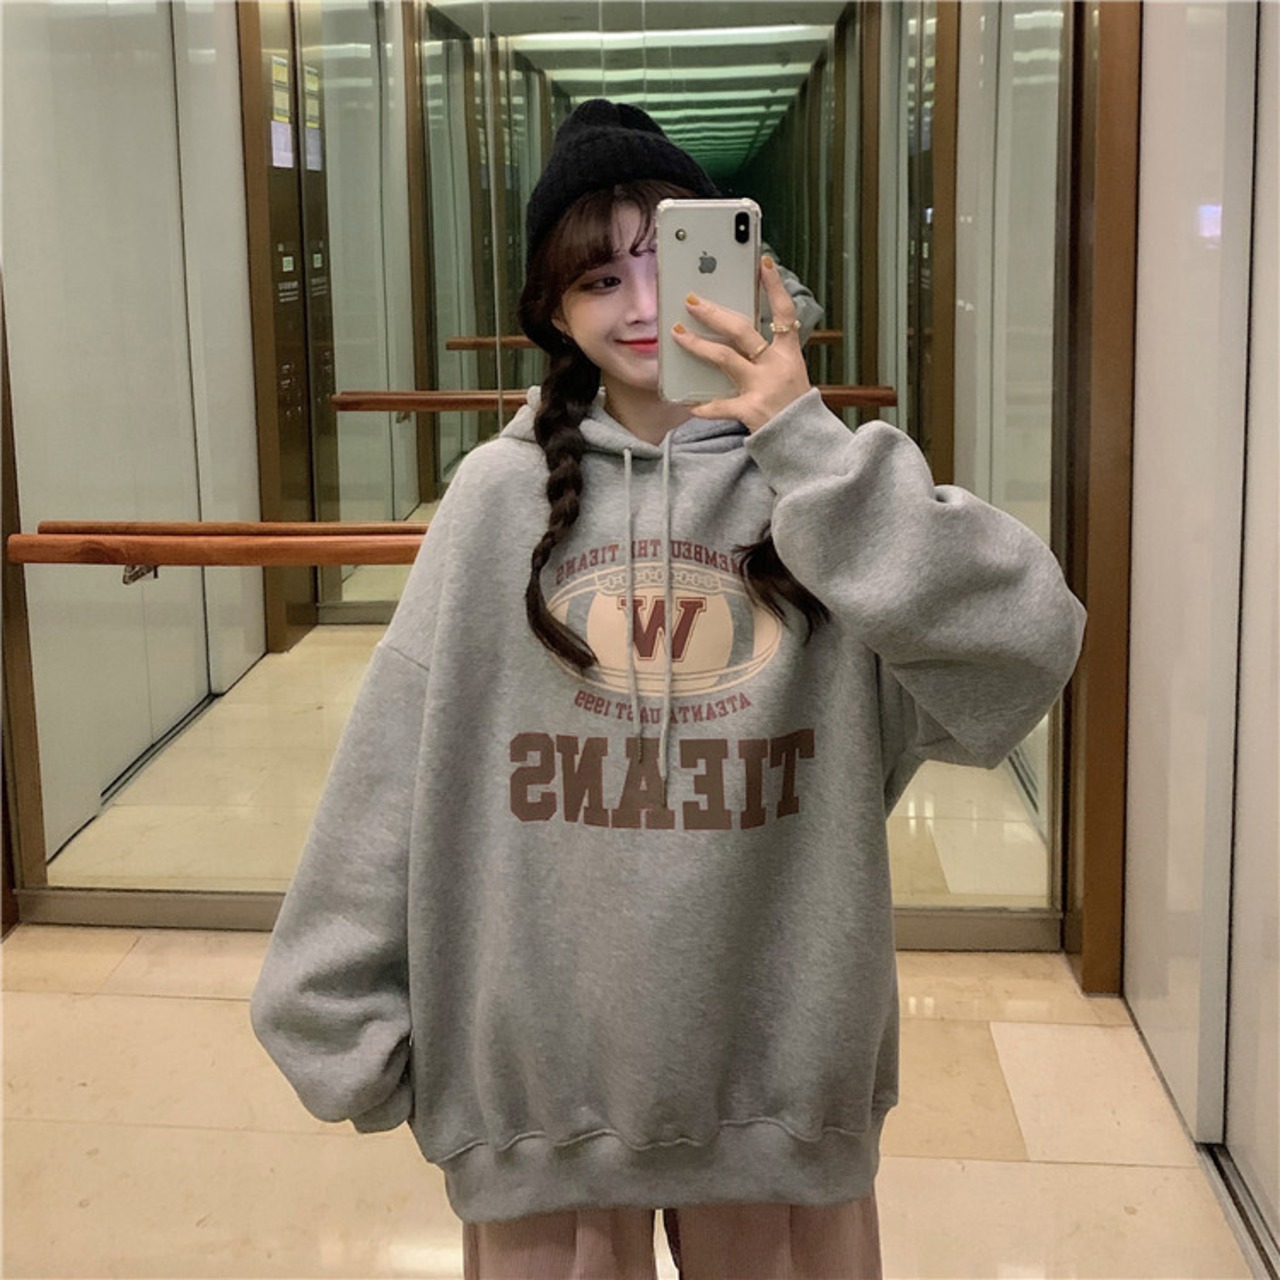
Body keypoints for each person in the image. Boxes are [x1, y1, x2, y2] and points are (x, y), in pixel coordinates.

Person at [251, 99, 1086, 1279]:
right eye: (598, 279)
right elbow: (402, 747)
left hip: (780, 1087)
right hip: (543, 1092)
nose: (641, 304)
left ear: (746, 270)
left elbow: (1025, 643)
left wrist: (803, 441)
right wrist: (330, 996)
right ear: (553, 312)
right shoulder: (495, 500)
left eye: (668, 259)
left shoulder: (824, 497)